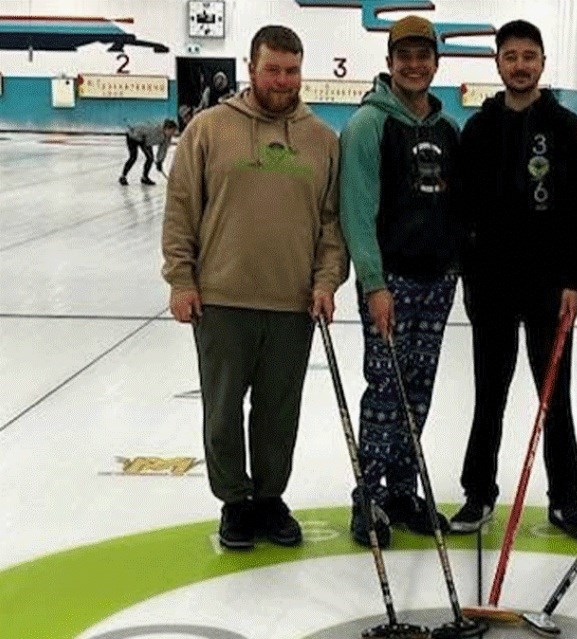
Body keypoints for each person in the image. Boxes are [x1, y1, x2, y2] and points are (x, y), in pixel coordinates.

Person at [161, 25, 348, 550]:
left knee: (278, 411)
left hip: (293, 303)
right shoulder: (209, 129)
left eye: (292, 70)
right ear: (251, 68)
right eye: (273, 69)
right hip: (221, 298)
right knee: (222, 410)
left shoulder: (322, 140)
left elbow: (332, 224)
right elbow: (180, 210)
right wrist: (181, 278)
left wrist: (327, 280)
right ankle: (235, 503)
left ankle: (268, 499)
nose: (283, 81)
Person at [448, 20, 577, 541]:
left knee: (555, 396)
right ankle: (477, 494)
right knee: (489, 393)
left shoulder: (568, 129)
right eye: (510, 56)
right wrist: (469, 272)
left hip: (550, 288)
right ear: (497, 63)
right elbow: (462, 207)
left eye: (528, 56)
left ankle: (566, 500)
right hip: (491, 287)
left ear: (542, 63)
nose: (519, 65)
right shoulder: (479, 129)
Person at [338, 15, 461, 548]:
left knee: (418, 393)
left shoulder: (446, 128)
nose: (415, 65)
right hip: (392, 281)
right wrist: (373, 284)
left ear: (435, 62)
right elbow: (357, 210)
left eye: (423, 56)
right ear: (390, 63)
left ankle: (402, 491)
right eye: (404, 56)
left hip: (438, 282)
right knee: (385, 392)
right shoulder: (369, 125)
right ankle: (367, 497)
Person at [119, 119, 176, 185]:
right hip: (133, 137)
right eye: (172, 131)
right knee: (133, 157)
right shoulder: (154, 129)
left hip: (146, 141)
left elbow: (163, 149)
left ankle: (144, 178)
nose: (173, 133)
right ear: (166, 129)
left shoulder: (167, 138)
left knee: (150, 158)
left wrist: (160, 161)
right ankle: (123, 176)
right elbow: (140, 127)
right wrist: (140, 138)